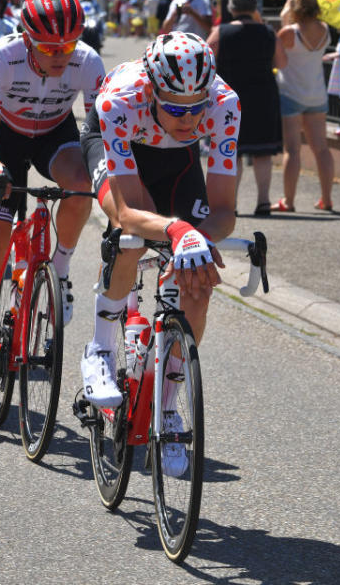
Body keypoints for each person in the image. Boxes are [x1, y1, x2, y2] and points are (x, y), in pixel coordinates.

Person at [79, 32, 240, 475]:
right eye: (175, 106)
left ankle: (167, 409)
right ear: (152, 88)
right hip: (120, 145)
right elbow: (131, 211)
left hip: (176, 159)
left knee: (198, 284)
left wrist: (197, 241)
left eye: (196, 106)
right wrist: (179, 230)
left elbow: (224, 211)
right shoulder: (121, 100)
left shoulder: (225, 105)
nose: (188, 116)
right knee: (129, 237)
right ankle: (100, 350)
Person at [0, 0, 105, 408]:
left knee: (82, 182)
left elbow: (100, 134)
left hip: (54, 137)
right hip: (3, 142)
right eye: (48, 47)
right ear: (26, 37)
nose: (61, 56)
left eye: (68, 45)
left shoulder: (88, 61)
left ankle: (59, 270)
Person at [206, 0, 284, 216]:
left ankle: (232, 204)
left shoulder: (221, 32)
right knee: (262, 153)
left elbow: (206, 61)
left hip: (231, 100)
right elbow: (282, 62)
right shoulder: (268, 32)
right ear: (254, 7)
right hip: (263, 98)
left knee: (232, 152)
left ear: (231, 7)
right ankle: (263, 201)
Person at [274, 0, 335, 213]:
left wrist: (284, 18)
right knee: (321, 149)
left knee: (293, 149)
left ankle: (288, 202)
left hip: (291, 94)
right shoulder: (325, 29)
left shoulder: (290, 31)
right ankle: (327, 199)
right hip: (317, 95)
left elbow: (278, 57)